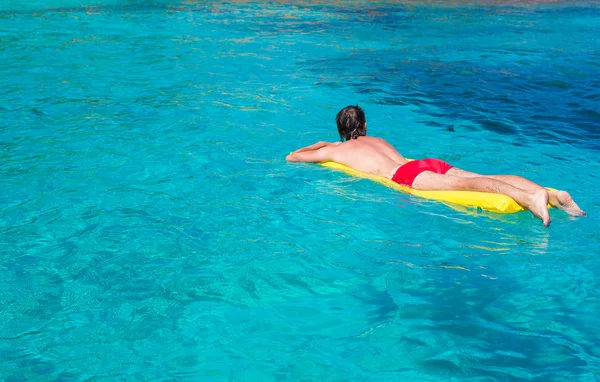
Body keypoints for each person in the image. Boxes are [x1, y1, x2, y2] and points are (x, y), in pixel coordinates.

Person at [286, 105, 585, 227]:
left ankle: (529, 198)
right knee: (481, 176)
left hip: (404, 176)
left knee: (470, 186)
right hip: (423, 162)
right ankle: (551, 194)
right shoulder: (378, 139)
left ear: (340, 131)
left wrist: (321, 145)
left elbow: (293, 156)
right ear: (364, 126)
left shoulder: (337, 151)